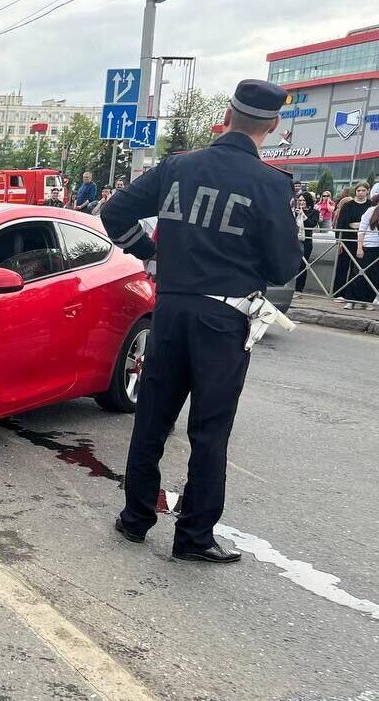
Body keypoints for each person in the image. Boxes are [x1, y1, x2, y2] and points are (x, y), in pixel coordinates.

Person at [101, 79, 301, 564]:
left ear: (226, 115)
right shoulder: (271, 184)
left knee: (152, 418)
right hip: (225, 318)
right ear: (272, 125)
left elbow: (114, 212)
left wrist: (150, 252)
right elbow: (282, 268)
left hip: (169, 309)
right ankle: (193, 537)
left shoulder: (177, 167)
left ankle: (134, 519)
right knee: (209, 431)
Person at [334, 183, 371, 304]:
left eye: (363, 190)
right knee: (342, 266)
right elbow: (340, 223)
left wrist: (360, 225)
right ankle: (339, 292)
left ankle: (355, 295)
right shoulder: (348, 205)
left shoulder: (371, 205)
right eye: (358, 190)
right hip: (347, 238)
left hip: (364, 240)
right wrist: (338, 241)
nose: (360, 193)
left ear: (367, 191)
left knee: (358, 268)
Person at [354, 190, 379, 310]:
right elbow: (362, 229)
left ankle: (371, 299)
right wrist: (359, 247)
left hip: (377, 247)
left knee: (375, 275)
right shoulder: (371, 211)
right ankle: (354, 299)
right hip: (368, 246)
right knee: (361, 273)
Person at [293, 195, 319, 294]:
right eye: (300, 200)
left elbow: (312, 224)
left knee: (303, 265)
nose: (301, 202)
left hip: (306, 242)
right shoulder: (294, 211)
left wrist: (303, 215)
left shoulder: (314, 212)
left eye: (304, 200)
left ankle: (299, 289)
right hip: (294, 241)